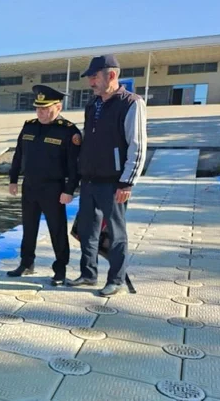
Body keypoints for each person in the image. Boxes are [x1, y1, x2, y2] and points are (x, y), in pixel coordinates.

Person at [68, 54, 147, 296]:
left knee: (115, 233)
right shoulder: (93, 104)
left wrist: (127, 182)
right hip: (90, 179)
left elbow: (137, 145)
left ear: (111, 75)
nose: (90, 83)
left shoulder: (131, 103)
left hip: (114, 182)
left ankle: (116, 279)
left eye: (94, 77)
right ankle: (88, 274)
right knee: (87, 230)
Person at [7, 85, 82, 286]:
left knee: (56, 230)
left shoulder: (68, 131)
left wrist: (69, 190)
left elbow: (74, 166)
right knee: (28, 227)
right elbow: (18, 155)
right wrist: (13, 179)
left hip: (53, 188)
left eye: (45, 108)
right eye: (37, 108)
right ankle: (26, 263)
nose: (40, 112)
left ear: (58, 107)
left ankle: (60, 270)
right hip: (30, 186)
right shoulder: (29, 126)